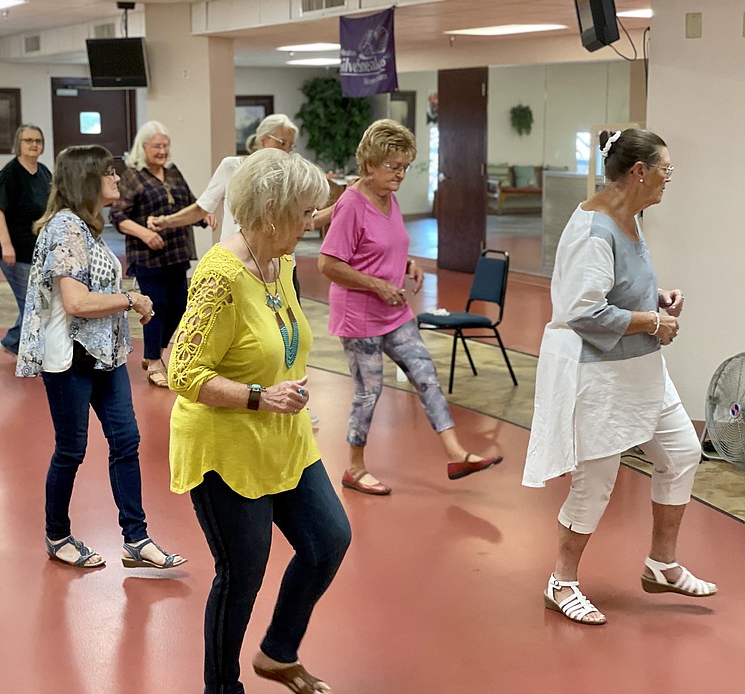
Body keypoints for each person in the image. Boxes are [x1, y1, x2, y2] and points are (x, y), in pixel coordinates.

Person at [168, 148, 350, 693]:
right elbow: (181, 369)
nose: (311, 223)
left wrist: (280, 393)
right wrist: (257, 395)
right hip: (224, 441)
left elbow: (281, 341)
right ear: (272, 210)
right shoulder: (219, 276)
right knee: (242, 573)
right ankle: (222, 688)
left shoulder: (282, 263)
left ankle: (276, 654)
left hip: (284, 436)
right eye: (305, 213)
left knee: (328, 540)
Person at [522, 129, 716, 626]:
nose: (668, 180)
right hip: (599, 375)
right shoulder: (593, 229)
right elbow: (584, 310)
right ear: (639, 171)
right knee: (596, 483)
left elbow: (617, 290)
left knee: (680, 453)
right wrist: (653, 322)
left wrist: (656, 300)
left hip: (641, 367)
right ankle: (561, 582)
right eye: (665, 171)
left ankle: (662, 563)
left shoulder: (628, 217)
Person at [16, 144, 186, 571]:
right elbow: (74, 302)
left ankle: (136, 538)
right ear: (88, 179)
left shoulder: (87, 229)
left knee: (125, 442)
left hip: (103, 356)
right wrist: (128, 299)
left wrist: (128, 301)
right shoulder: (66, 228)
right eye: (110, 174)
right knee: (71, 450)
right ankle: (57, 535)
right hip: (72, 357)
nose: (117, 179)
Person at [317, 119, 503, 495]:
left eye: (405, 166)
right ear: (369, 164)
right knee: (369, 391)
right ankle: (354, 467)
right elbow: (328, 264)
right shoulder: (352, 204)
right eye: (392, 166)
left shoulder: (391, 198)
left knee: (426, 375)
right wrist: (377, 285)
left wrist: (406, 264)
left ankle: (456, 454)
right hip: (359, 315)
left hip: (394, 311)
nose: (400, 174)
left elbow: (384, 246)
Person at [109, 120, 204, 388]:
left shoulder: (172, 171)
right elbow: (118, 216)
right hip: (147, 256)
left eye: (165, 145)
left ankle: (157, 353)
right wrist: (145, 233)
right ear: (144, 147)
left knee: (180, 306)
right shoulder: (132, 176)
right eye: (156, 146)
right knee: (156, 306)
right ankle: (152, 362)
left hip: (176, 252)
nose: (162, 151)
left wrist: (203, 216)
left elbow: (189, 203)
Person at [148, 113, 298, 244]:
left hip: (278, 260)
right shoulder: (231, 166)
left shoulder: (291, 174)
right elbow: (202, 208)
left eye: (290, 146)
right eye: (282, 143)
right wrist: (165, 221)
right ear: (263, 141)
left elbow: (306, 215)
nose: (286, 151)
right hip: (237, 257)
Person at [0, 124, 52, 357]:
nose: (34, 144)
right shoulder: (10, 174)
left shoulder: (44, 172)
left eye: (38, 140)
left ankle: (13, 341)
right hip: (13, 248)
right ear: (19, 144)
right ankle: (30, 352)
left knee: (36, 297)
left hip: (35, 248)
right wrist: (6, 246)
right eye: (28, 140)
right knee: (32, 301)